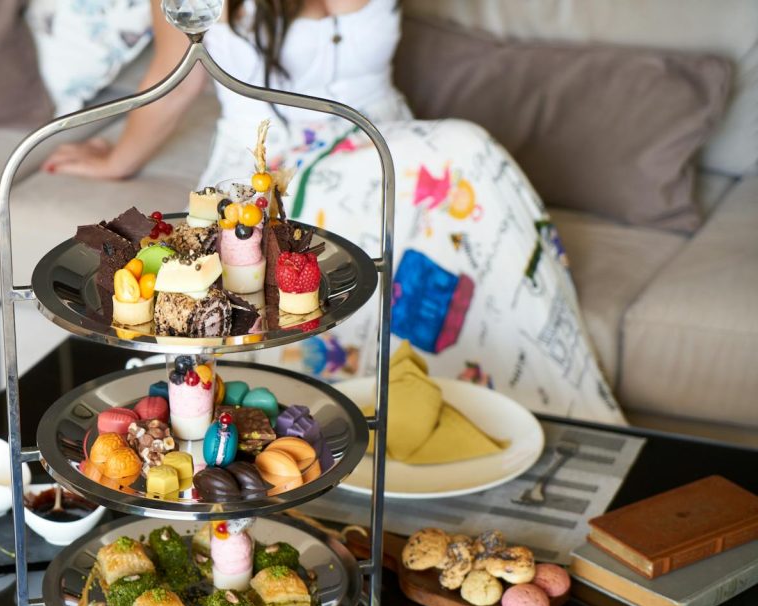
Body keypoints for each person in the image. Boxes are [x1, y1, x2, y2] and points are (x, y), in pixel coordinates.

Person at [42, 0, 624, 424]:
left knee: (462, 149)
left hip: (385, 146)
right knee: (459, 145)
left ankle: (528, 410)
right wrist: (116, 158)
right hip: (269, 169)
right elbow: (171, 82)